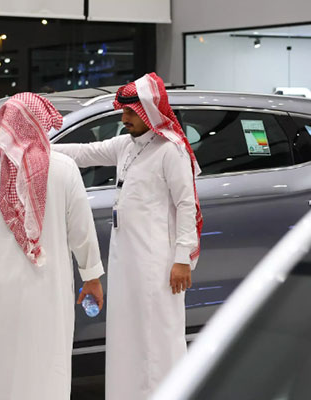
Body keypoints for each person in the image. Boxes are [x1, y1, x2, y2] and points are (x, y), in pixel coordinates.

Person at [54, 72, 203, 400]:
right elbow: (84, 153)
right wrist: (39, 149)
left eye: (130, 113)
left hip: (158, 262)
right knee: (129, 334)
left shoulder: (170, 150)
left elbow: (186, 205)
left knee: (158, 336)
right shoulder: (127, 145)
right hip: (126, 260)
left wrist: (182, 259)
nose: (123, 119)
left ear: (149, 112)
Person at [0, 93, 105, 400]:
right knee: (45, 357)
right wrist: (91, 276)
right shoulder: (64, 168)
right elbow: (82, 229)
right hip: (47, 287)